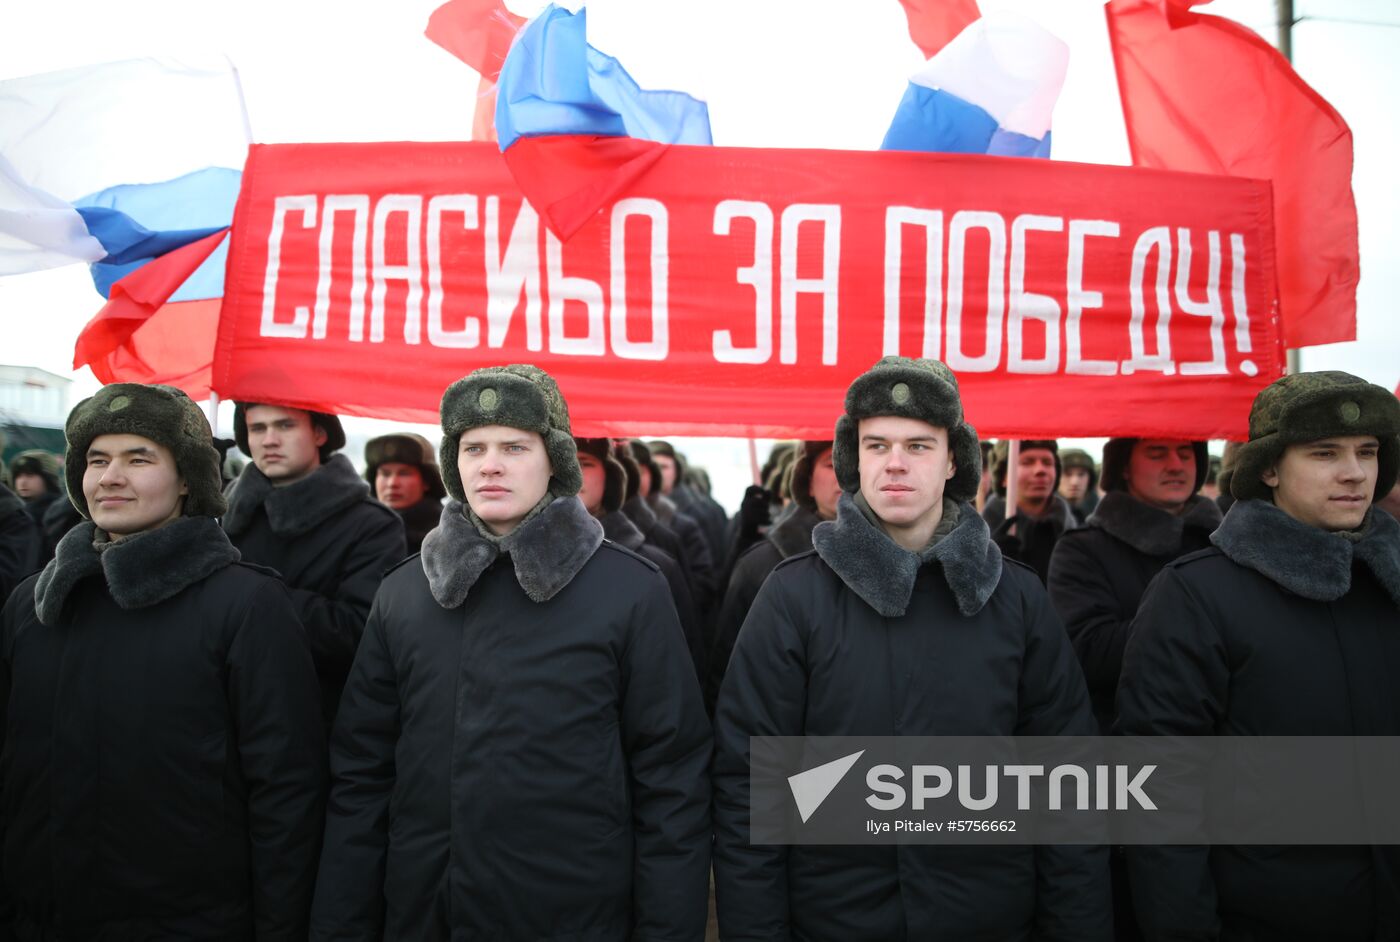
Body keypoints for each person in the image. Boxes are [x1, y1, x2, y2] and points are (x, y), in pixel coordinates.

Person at [713, 357, 1109, 941]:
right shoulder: (792, 597)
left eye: (919, 446)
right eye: (877, 445)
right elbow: (750, 790)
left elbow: (1066, 782)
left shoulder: (1017, 598)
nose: (895, 463)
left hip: (991, 918)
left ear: (954, 460)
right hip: (836, 921)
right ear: (855, 458)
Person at [312, 365, 711, 941]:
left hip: (577, 914)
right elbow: (361, 778)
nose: (489, 464)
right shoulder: (403, 593)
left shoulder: (632, 590)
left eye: (514, 446)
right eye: (472, 447)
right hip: (427, 911)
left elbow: (671, 779)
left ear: (555, 460)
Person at [0, 383, 326, 938]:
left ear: (186, 481)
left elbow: (286, 791)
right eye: (97, 460)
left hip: (189, 921)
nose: (111, 477)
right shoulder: (32, 603)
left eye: (139, 458)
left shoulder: (247, 604)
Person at [1118, 371, 1400, 941]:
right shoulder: (1195, 594)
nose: (1353, 472)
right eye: (1325, 453)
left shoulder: (1391, 584)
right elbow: (1158, 791)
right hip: (1263, 920)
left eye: (1367, 453)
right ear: (1268, 469)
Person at [222, 402, 405, 725]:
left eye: (285, 426)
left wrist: (250, 597)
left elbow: (358, 632)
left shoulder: (371, 525)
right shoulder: (219, 517)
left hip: (314, 718)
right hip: (223, 718)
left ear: (320, 433)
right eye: (257, 428)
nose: (269, 440)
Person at [1049, 438, 1219, 733]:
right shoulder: (1082, 550)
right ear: (1124, 468)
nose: (1176, 466)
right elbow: (1087, 652)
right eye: (1157, 453)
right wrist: (1192, 625)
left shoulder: (1222, 546)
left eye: (1186, 453)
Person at [705, 440, 838, 714]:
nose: (848, 474)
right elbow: (731, 680)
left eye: (861, 459)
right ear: (808, 482)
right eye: (832, 464)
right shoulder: (762, 566)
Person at [576, 435, 704, 677]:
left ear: (611, 476)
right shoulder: (514, 565)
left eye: (584, 463)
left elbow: (681, 664)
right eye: (560, 460)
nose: (572, 472)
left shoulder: (655, 566)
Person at [983, 439, 1079, 583]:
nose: (1041, 470)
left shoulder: (1077, 535)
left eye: (1047, 462)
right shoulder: (979, 537)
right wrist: (991, 563)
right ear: (1004, 477)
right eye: (1027, 462)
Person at [363, 432, 447, 553]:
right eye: (385, 474)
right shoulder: (360, 528)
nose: (392, 483)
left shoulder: (448, 532)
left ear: (426, 481)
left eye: (404, 473)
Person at [1058, 447, 1100, 522]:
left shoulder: (1102, 515)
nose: (1074, 482)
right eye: (1067, 474)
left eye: (1081, 474)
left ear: (1090, 479)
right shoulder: (1040, 513)